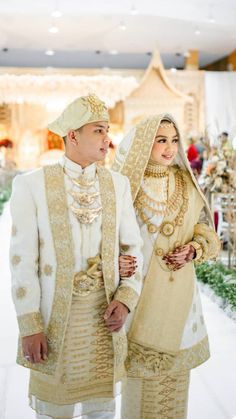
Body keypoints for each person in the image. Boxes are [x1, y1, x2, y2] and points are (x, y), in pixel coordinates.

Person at [9, 94, 143, 419]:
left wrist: (125, 299)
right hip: (56, 321)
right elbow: (21, 260)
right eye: (98, 130)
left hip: (104, 318)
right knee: (55, 410)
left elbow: (132, 248)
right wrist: (30, 326)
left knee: (102, 410)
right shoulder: (32, 186)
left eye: (107, 130)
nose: (107, 139)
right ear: (73, 135)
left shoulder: (118, 185)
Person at [112, 114, 220, 418]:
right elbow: (107, 235)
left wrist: (193, 250)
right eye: (161, 140)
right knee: (140, 380)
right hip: (139, 293)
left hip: (178, 296)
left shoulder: (185, 181)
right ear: (145, 143)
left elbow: (206, 233)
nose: (169, 148)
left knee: (174, 377)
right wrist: (114, 260)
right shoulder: (125, 184)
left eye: (174, 140)